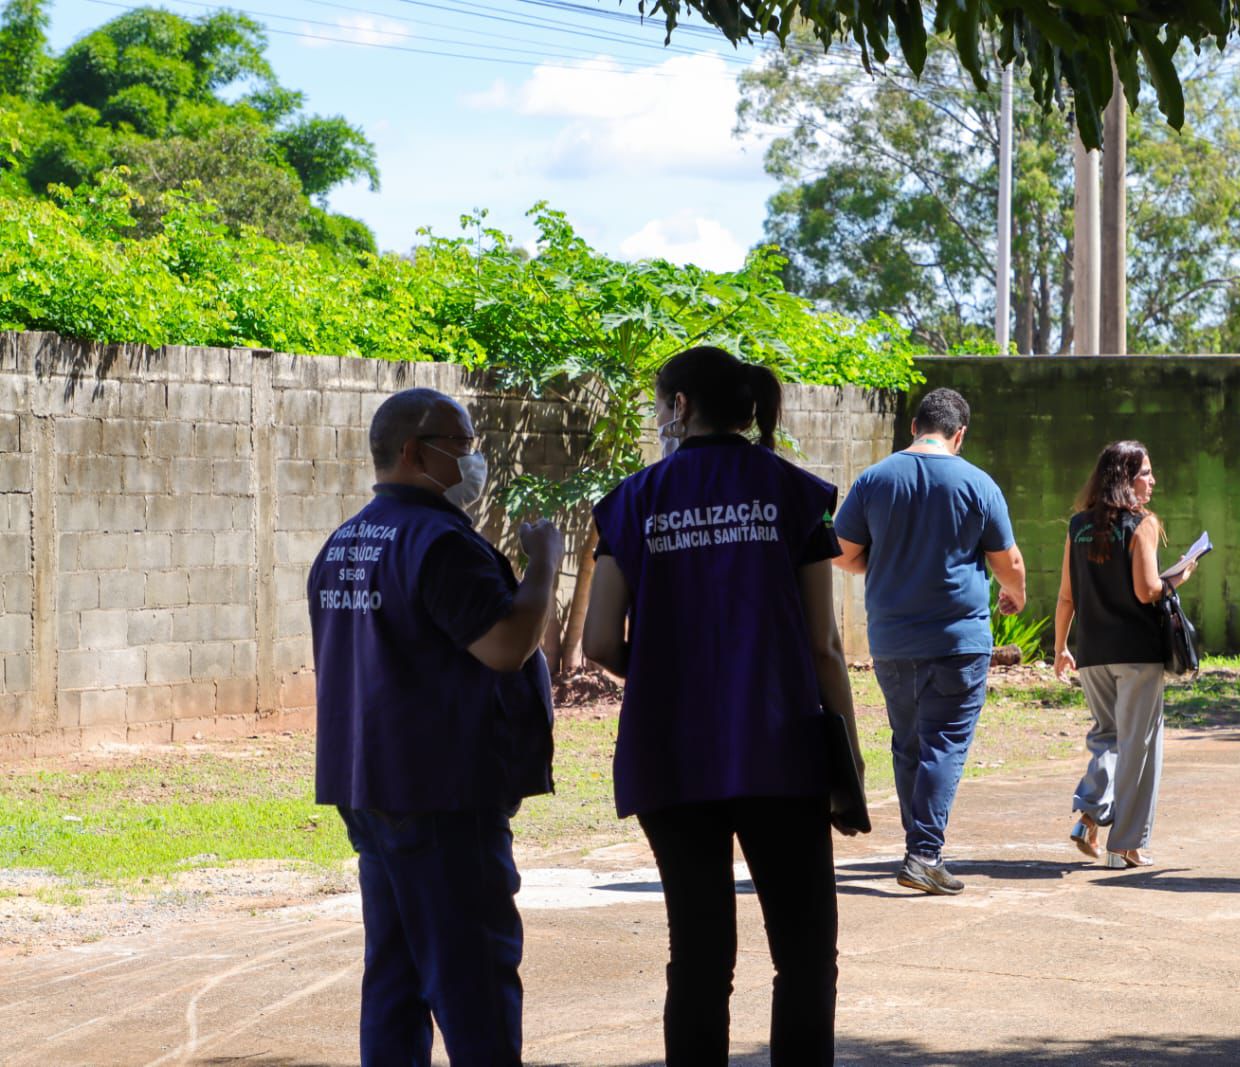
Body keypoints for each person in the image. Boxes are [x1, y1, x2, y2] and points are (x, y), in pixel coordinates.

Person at [583, 346, 864, 1067]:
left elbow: (597, 641)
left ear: (680, 406)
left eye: (659, 403)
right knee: (804, 955)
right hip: (781, 751)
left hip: (670, 754)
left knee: (700, 956)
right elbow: (823, 645)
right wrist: (848, 756)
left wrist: (664, 673)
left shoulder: (629, 501)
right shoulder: (793, 494)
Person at [310, 387, 562, 1067]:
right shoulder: (439, 542)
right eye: (462, 444)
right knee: (472, 982)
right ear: (414, 450)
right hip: (444, 794)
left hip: (370, 785)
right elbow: (506, 645)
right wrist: (545, 564)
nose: (473, 459)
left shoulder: (346, 540)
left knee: (393, 982)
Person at [832, 386, 1026, 896]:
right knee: (945, 743)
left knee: (909, 743)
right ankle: (924, 853)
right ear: (958, 434)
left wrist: (881, 564)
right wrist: (1015, 595)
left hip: (892, 641)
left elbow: (842, 551)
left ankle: (917, 847)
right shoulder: (977, 483)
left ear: (914, 427)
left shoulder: (874, 479)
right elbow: (1008, 563)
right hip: (958, 640)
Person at [1052, 441, 1195, 870]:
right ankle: (1125, 846)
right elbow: (1147, 590)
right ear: (1125, 479)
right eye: (1145, 473)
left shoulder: (1077, 525)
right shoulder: (1142, 524)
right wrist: (1181, 575)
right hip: (1137, 653)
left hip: (1092, 653)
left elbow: (1065, 596)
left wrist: (1060, 648)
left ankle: (1091, 811)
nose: (1152, 481)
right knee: (1141, 747)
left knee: (1107, 737)